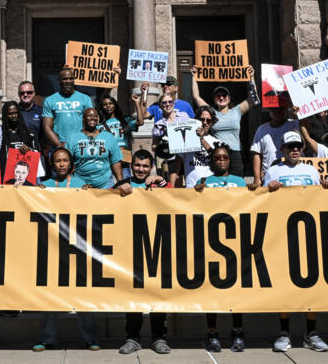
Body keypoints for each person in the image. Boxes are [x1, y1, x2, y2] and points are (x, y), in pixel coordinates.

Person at [264, 135, 328, 353]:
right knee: (284, 285)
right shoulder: (273, 171)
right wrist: (269, 189)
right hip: (282, 236)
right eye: (290, 147)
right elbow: (261, 201)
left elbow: (322, 200)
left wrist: (327, 186)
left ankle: (311, 333)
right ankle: (284, 333)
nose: (295, 150)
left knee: (311, 285)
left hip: (309, 235)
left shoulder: (312, 171)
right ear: (283, 149)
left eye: (298, 146)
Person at [33, 154, 98, 352]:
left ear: (71, 164)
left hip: (77, 248)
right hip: (52, 248)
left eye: (65, 161)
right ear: (52, 164)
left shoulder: (81, 184)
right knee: (50, 295)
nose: (62, 164)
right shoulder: (44, 185)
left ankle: (91, 338)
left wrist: (90, 195)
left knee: (82, 294)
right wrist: (36, 194)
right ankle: (46, 338)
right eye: (58, 161)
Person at [193, 145, 246, 352]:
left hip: (234, 243)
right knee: (212, 291)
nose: (221, 160)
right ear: (212, 160)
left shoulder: (240, 182)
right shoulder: (204, 182)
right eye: (217, 157)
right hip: (211, 242)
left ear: (229, 160)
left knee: (237, 291)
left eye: (225, 157)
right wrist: (196, 193)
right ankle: (212, 332)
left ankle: (238, 332)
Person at [117, 151, 170, 355]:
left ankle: (159, 338)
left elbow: (178, 202)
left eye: (145, 166)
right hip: (130, 250)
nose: (141, 169)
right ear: (131, 166)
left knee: (158, 294)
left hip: (157, 247)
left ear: (151, 168)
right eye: (137, 165)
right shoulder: (121, 185)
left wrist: (164, 185)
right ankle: (132, 337)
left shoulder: (159, 184)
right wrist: (116, 190)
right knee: (133, 296)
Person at [191, 65, 257, 176]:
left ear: (229, 98)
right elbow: (196, 97)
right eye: (218, 96)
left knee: (236, 183)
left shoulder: (236, 111)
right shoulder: (212, 112)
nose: (221, 98)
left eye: (224, 95)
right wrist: (194, 77)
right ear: (214, 99)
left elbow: (252, 98)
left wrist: (251, 77)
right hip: (217, 152)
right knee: (219, 183)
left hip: (235, 153)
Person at [64, 108, 124, 189]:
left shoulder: (108, 136)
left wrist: (120, 182)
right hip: (80, 185)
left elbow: (115, 161)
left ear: (98, 118)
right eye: (89, 115)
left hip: (105, 184)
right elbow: (67, 162)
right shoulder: (73, 138)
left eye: (95, 116)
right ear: (83, 119)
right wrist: (68, 182)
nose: (92, 118)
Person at [168, 106, 224, 188]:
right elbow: (176, 166)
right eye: (201, 119)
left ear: (212, 122)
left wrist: (202, 140)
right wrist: (171, 187)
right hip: (191, 188)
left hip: (211, 188)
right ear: (196, 120)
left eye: (208, 120)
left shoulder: (217, 142)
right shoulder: (186, 140)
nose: (205, 122)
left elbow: (217, 160)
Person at [41, 68, 94, 151]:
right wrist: (59, 145)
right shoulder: (50, 100)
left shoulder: (85, 99)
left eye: (71, 78)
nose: (68, 81)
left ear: (74, 80)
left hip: (81, 145)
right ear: (59, 81)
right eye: (65, 79)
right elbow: (47, 127)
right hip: (59, 146)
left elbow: (91, 123)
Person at [249, 106, 300, 187]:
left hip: (293, 173)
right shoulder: (262, 129)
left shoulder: (294, 124)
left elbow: (307, 131)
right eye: (273, 110)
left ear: (286, 109)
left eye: (280, 109)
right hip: (270, 175)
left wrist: (299, 112)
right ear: (269, 111)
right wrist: (257, 178)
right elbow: (257, 154)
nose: (277, 112)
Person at [0, 100, 40, 175]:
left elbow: (37, 153)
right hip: (5, 176)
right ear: (5, 115)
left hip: (25, 176)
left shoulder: (29, 132)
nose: (14, 116)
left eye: (16, 113)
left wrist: (29, 149)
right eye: (10, 114)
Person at [151, 93, 191, 168]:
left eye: (170, 102)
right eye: (164, 102)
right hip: (168, 160)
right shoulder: (158, 124)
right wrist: (161, 145)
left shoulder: (183, 116)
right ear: (160, 105)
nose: (168, 104)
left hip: (184, 159)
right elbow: (154, 145)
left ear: (173, 103)